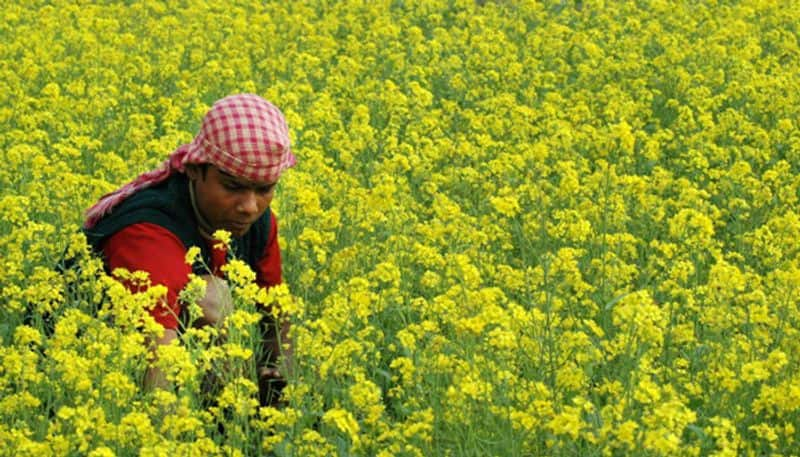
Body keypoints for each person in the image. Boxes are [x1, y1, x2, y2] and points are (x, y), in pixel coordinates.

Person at [82, 93, 295, 403]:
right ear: (195, 169)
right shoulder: (149, 233)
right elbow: (157, 359)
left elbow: (276, 310)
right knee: (211, 299)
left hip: (174, 359)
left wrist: (282, 386)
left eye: (264, 189)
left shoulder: (256, 222)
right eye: (232, 187)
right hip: (97, 366)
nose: (250, 207)